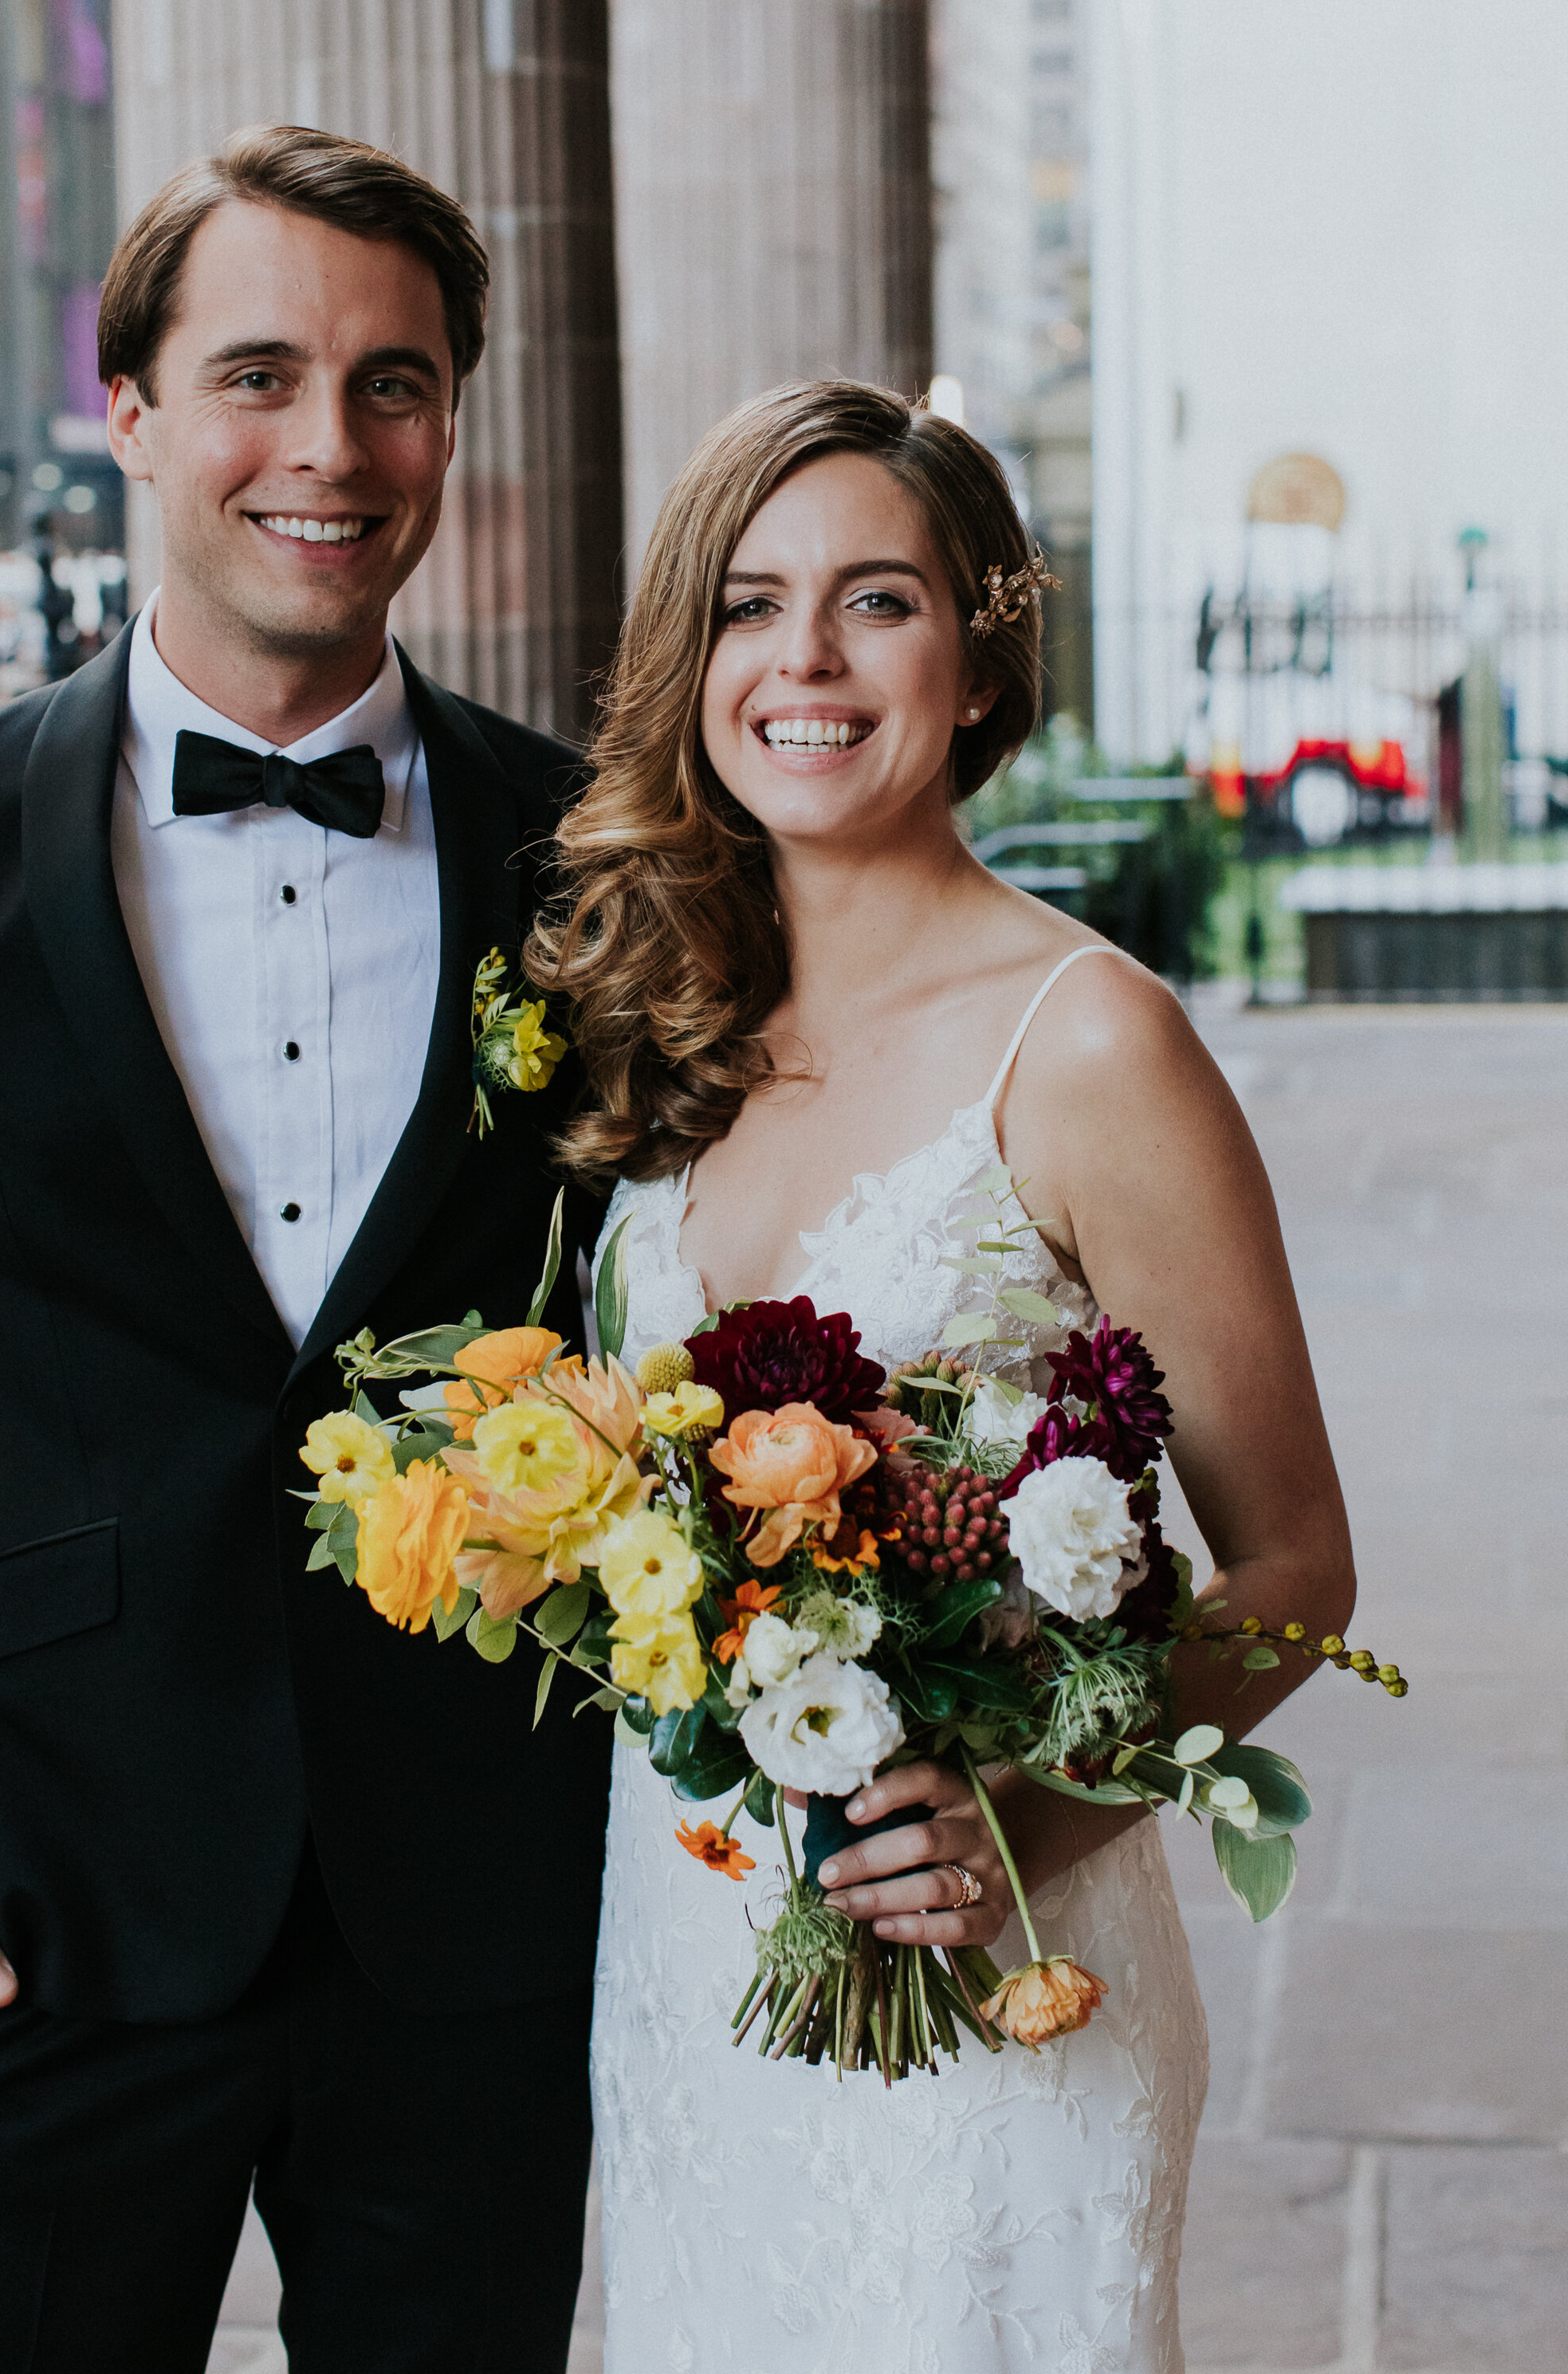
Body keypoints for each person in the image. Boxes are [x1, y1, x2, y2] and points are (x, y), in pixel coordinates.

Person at [0, 126, 608, 2372]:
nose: (329, 443)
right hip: (43, 1909)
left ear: (452, 427)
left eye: (394, 384)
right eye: (259, 372)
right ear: (131, 410)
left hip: (476, 1907)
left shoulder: (586, 853)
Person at [531, 380, 1357, 2372]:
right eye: (747, 603)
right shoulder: (667, 1019)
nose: (801, 660)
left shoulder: (1089, 1047)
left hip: (995, 1964)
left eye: (874, 602)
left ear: (980, 655)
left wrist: (1016, 1809)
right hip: (692, 1947)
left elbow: (1298, 1568)